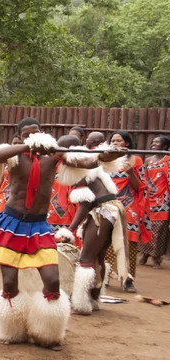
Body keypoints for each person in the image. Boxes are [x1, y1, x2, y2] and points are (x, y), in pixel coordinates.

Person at [0, 117, 124, 351]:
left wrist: (105, 156)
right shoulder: (13, 156)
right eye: (27, 134)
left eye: (36, 132)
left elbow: (86, 162)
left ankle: (47, 334)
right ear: (19, 138)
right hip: (11, 224)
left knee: (53, 282)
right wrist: (28, 146)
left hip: (38, 226)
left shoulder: (55, 155)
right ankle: (13, 332)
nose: (33, 136)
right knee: (9, 283)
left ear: (43, 132)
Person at [54, 135, 129, 315]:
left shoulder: (79, 166)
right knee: (98, 258)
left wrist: (70, 229)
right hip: (112, 210)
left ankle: (81, 303)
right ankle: (93, 299)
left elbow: (85, 203)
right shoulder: (87, 162)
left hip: (102, 212)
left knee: (86, 259)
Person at [104, 130, 152, 293]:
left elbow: (140, 186)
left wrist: (130, 172)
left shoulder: (135, 160)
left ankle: (128, 279)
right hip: (107, 203)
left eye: (119, 140)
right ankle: (106, 276)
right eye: (113, 140)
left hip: (129, 205)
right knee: (106, 239)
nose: (115, 142)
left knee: (128, 241)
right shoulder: (105, 159)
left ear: (127, 143)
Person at [139, 135, 170, 268]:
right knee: (146, 227)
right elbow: (144, 178)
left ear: (165, 147)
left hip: (163, 200)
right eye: (153, 142)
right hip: (148, 199)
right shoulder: (148, 160)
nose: (153, 144)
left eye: (157, 142)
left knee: (159, 230)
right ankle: (145, 253)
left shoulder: (168, 160)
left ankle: (156, 257)